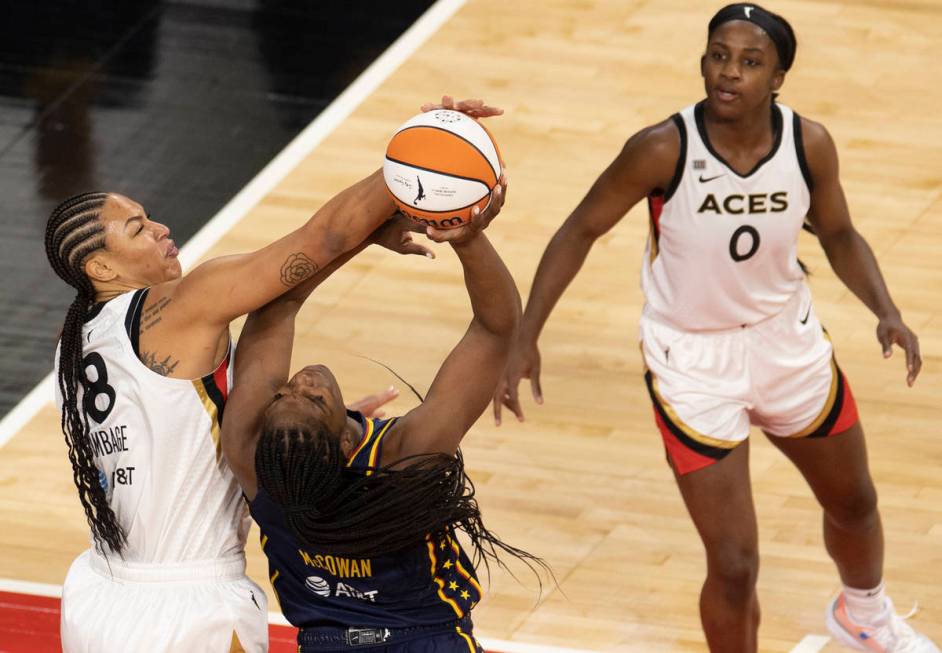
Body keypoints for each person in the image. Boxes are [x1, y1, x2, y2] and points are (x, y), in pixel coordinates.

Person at [493, 5, 935, 653]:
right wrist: (526, 334)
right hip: (692, 360)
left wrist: (887, 309)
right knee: (733, 563)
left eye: (749, 62)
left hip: (787, 339)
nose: (728, 73)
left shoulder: (809, 144)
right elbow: (579, 228)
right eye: (718, 55)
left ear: (778, 77)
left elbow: (837, 232)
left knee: (856, 502)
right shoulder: (662, 148)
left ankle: (864, 614)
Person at [45, 159, 435, 651]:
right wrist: (417, 156)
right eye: (139, 229)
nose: (162, 229)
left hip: (96, 595)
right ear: (101, 267)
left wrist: (309, 426)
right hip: (187, 605)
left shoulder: (72, 344)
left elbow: (165, 436)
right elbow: (323, 239)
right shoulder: (178, 307)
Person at [220, 170, 542, 652]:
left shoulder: (252, 454)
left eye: (284, 393)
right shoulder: (402, 459)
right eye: (313, 400)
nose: (301, 382)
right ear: (348, 444)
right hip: (427, 642)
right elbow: (495, 329)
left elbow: (276, 305)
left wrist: (362, 236)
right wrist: (468, 240)